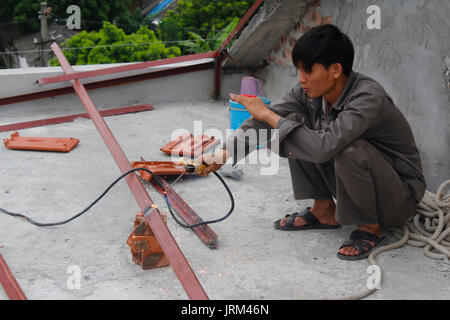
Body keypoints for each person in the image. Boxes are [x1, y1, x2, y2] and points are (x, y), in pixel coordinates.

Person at [201, 24, 426, 260]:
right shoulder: (308, 93)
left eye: (308, 70)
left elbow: (321, 147)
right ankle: (324, 211)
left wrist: (268, 115)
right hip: (361, 181)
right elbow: (265, 120)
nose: (301, 79)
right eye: (298, 70)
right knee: (294, 129)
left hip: (398, 198)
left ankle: (370, 227)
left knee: (346, 149)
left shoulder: (367, 97)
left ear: (336, 70)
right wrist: (222, 154)